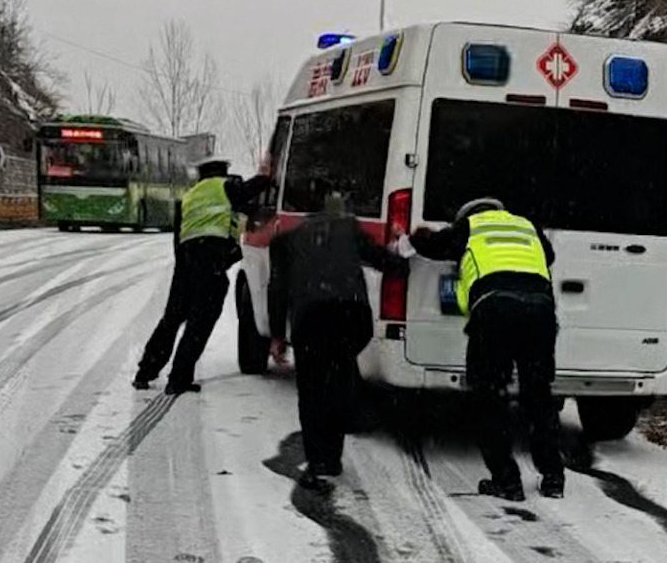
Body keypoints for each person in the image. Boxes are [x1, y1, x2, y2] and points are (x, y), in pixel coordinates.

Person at [401, 197, 564, 502]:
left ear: (467, 215)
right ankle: (553, 476)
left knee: (489, 396)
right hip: (540, 310)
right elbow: (549, 256)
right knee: (538, 395)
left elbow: (435, 247)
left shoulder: (469, 226)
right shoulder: (526, 225)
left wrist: (415, 238)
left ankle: (506, 479)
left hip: (495, 309)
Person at [267, 187, 408, 492]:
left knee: (312, 388)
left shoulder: (285, 241)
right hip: (351, 317)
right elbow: (388, 263)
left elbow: (276, 289)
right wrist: (401, 248)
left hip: (311, 318)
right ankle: (334, 451)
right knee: (338, 377)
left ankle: (320, 460)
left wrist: (277, 335)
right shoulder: (349, 230)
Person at [132, 156, 270, 395]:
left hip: (185, 262)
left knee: (172, 319)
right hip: (209, 262)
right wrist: (267, 176)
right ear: (222, 172)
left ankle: (145, 372)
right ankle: (178, 380)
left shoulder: (190, 196)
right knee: (201, 321)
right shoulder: (224, 188)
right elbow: (249, 192)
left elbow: (179, 237)